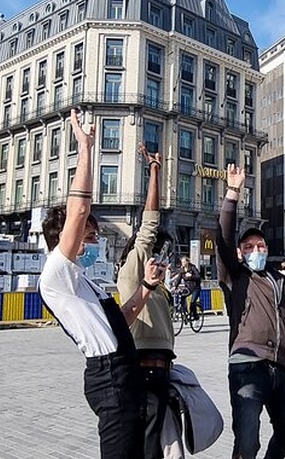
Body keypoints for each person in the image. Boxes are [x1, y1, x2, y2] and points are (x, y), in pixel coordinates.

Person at [39, 109, 164, 459]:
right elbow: (78, 210)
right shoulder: (55, 274)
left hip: (125, 373)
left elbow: (121, 320)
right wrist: (86, 147)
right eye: (88, 235)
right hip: (109, 378)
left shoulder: (83, 281)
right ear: (67, 237)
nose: (92, 242)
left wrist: (147, 287)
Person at [216, 164, 285, 459]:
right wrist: (232, 192)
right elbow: (223, 238)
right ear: (240, 253)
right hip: (247, 364)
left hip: (281, 369)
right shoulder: (235, 277)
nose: (256, 250)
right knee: (247, 442)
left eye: (260, 245)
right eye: (248, 247)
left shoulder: (278, 280)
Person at [115, 143, 177, 459]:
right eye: (155, 252)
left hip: (161, 370)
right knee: (149, 448)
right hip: (145, 371)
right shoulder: (132, 269)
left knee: (155, 446)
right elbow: (149, 225)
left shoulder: (155, 284)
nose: (160, 259)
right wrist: (154, 170)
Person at [172, 256, 203, 320]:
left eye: (184, 262)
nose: (182, 263)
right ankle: (185, 312)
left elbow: (198, 276)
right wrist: (175, 286)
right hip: (188, 288)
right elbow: (178, 279)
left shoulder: (192, 267)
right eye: (182, 262)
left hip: (195, 288)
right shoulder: (182, 270)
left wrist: (191, 276)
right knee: (182, 298)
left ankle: (195, 316)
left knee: (192, 302)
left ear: (187, 262)